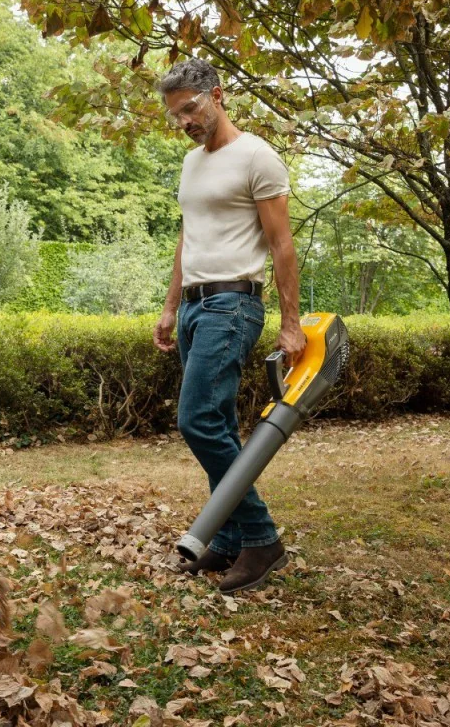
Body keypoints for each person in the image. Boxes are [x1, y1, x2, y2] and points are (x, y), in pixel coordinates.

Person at [153, 58, 307, 593]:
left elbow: (281, 244)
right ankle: (227, 536)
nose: (185, 122)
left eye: (191, 109)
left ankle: (261, 540)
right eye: (176, 116)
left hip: (233, 304)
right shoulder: (192, 164)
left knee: (195, 421)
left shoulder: (257, 156)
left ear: (218, 95)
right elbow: (187, 237)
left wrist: (290, 324)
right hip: (196, 306)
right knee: (214, 425)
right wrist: (171, 305)